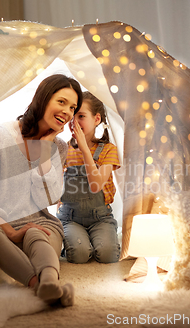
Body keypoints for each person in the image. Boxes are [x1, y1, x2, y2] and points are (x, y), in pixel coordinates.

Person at [0, 74, 82, 306]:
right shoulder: (2, 135)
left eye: (73, 107)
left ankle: (48, 282)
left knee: (35, 232)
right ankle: (42, 287)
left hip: (41, 222)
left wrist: (45, 152)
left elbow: (50, 197)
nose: (67, 111)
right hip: (0, 222)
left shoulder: (59, 147)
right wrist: (12, 231)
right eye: (62, 102)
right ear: (43, 99)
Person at [57, 91, 121, 264]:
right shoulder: (63, 149)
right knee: (79, 255)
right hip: (70, 217)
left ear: (97, 119)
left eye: (81, 116)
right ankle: (75, 241)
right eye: (72, 116)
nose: (74, 122)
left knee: (108, 255)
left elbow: (96, 186)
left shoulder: (108, 149)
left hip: (100, 217)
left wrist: (85, 149)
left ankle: (101, 238)